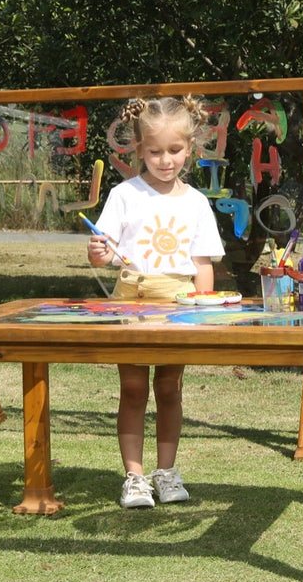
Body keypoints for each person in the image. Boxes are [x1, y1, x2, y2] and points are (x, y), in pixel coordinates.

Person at [86, 96, 225, 508]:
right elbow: (105, 251)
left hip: (180, 303)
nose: (165, 160)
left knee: (169, 387)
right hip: (131, 300)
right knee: (132, 388)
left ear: (191, 147)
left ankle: (166, 472)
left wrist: (204, 309)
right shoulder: (124, 194)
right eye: (154, 152)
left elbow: (202, 264)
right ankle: (134, 477)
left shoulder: (197, 203)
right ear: (138, 149)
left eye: (174, 151)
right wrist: (98, 253)